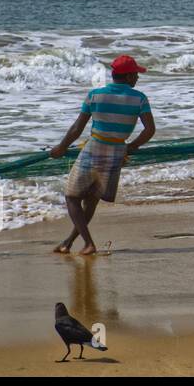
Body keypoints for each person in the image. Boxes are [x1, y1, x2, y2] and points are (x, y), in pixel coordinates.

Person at [48, 55, 155, 255]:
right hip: (116, 153)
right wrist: (130, 147)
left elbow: (77, 128)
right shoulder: (139, 98)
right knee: (91, 199)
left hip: (94, 149)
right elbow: (149, 130)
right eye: (136, 75)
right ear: (129, 76)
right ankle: (69, 242)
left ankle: (87, 243)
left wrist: (61, 147)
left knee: (71, 197)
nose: (138, 79)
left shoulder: (95, 95)